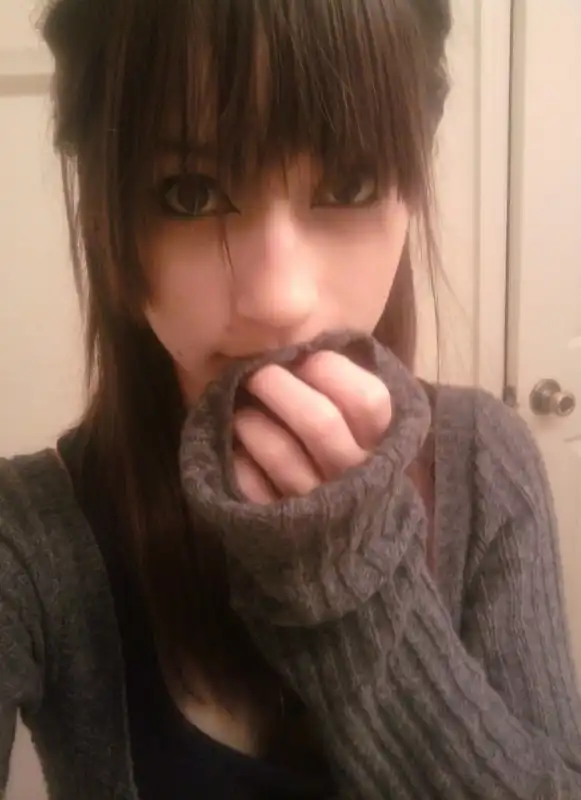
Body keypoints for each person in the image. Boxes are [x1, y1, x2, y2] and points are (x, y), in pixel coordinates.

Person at [1, 0, 581, 798]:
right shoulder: (28, 540)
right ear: (106, 216)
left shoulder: (484, 462)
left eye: (349, 182)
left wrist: (353, 594)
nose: (278, 301)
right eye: (189, 194)